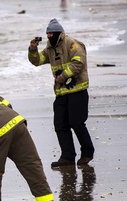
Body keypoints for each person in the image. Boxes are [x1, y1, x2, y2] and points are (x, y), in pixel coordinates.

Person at [28, 18, 95, 167]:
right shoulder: (49, 48)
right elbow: (37, 61)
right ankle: (67, 157)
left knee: (77, 123)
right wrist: (32, 49)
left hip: (77, 90)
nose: (49, 36)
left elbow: (78, 62)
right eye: (47, 34)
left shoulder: (72, 44)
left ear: (59, 33)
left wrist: (63, 76)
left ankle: (87, 153)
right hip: (61, 92)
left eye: (52, 33)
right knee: (60, 124)